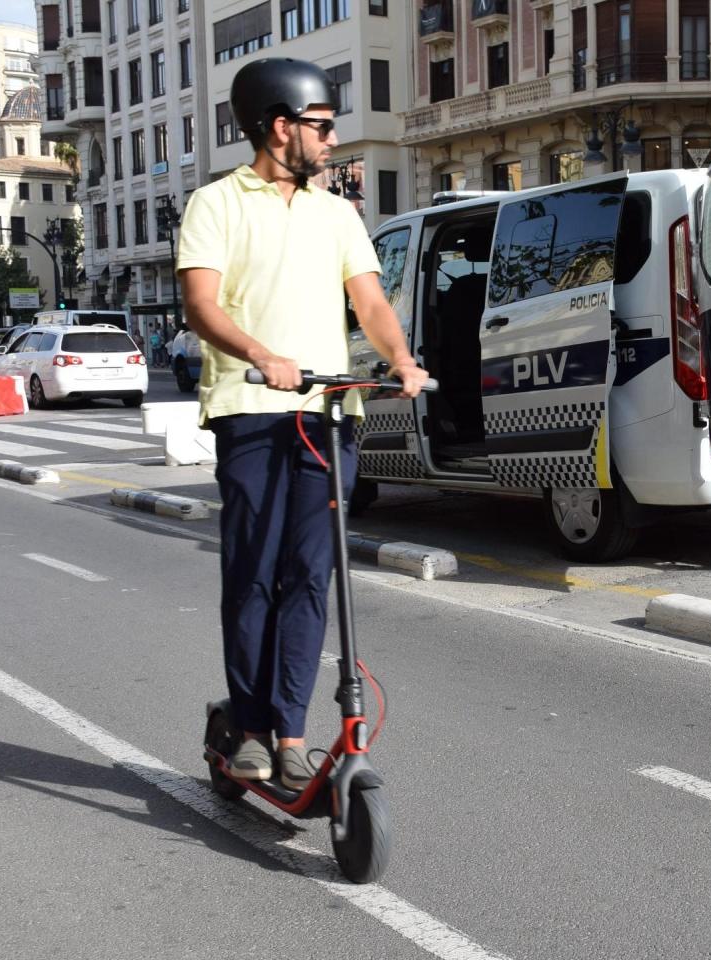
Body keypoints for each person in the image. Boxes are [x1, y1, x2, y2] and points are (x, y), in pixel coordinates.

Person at [176, 57, 429, 790]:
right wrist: (262, 354)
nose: (332, 137)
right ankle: (250, 730)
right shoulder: (216, 204)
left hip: (326, 417)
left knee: (310, 577)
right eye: (321, 125)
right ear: (280, 127)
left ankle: (292, 732)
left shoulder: (337, 213)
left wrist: (402, 360)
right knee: (253, 574)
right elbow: (201, 305)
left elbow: (372, 304)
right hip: (252, 410)